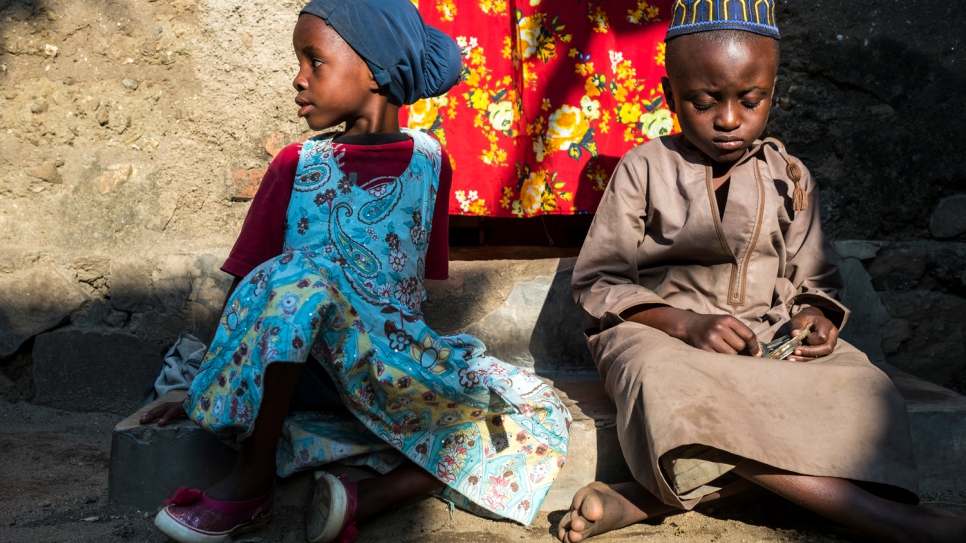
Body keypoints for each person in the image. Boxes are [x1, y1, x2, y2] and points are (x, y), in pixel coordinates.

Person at [139, 2, 571, 542]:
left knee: (520, 417)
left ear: (374, 68)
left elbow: (408, 295)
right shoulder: (297, 165)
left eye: (313, 61)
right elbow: (250, 288)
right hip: (299, 374)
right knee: (300, 277)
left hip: (384, 370)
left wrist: (428, 381)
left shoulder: (432, 161)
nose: (298, 79)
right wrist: (211, 381)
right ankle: (251, 482)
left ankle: (361, 501)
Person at [559, 2, 966, 542]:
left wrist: (816, 317)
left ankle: (640, 502)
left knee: (868, 392)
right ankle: (889, 519)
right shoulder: (644, 168)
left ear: (773, 92)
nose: (729, 119)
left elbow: (815, 279)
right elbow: (598, 281)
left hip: (766, 333)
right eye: (704, 102)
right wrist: (683, 324)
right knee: (663, 385)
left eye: (751, 101)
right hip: (657, 336)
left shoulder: (790, 176)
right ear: (668, 95)